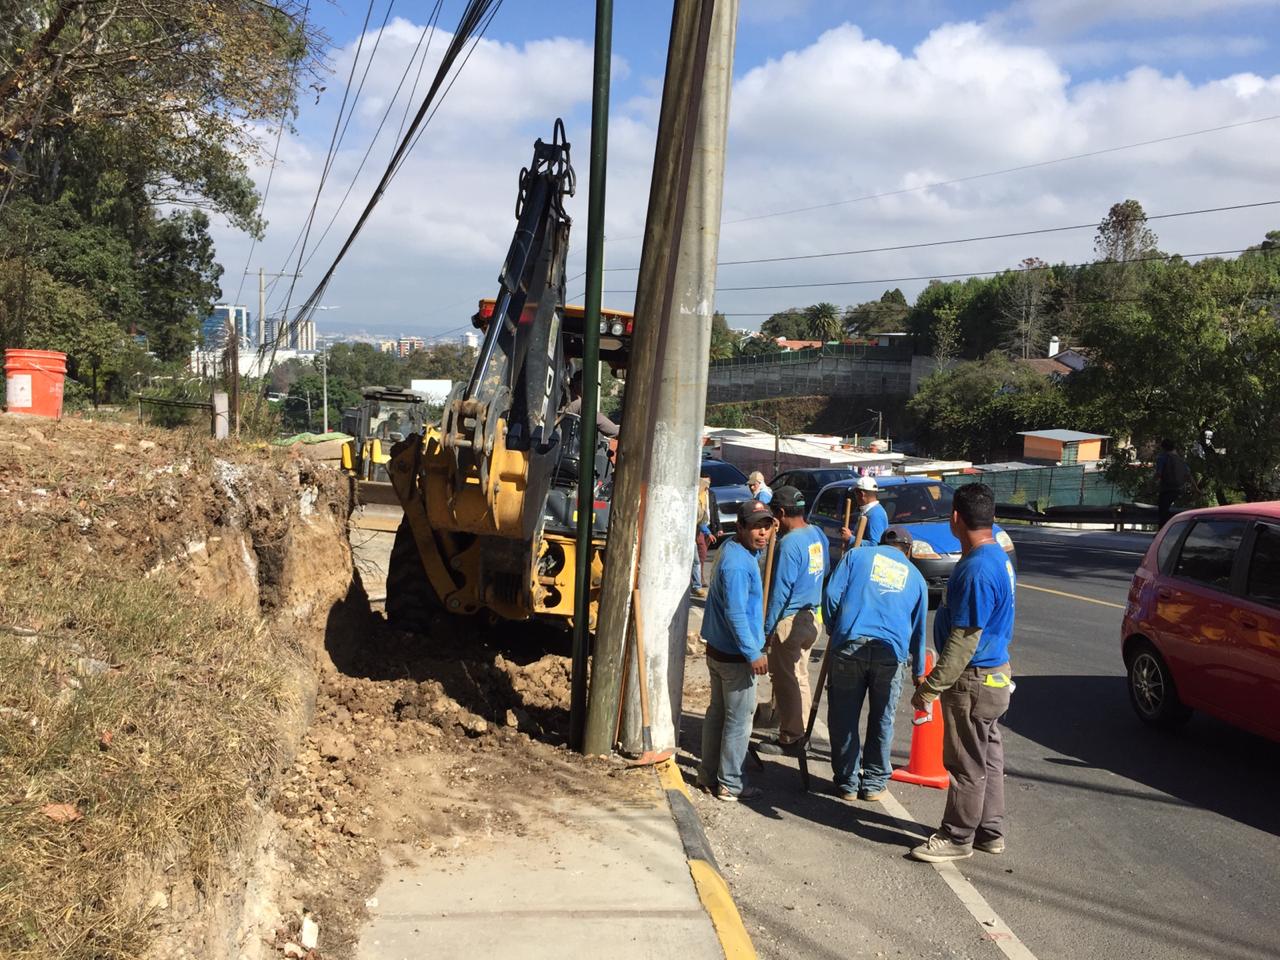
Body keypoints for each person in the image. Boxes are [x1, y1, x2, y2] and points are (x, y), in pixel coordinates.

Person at [909, 483, 1016, 862]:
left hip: (973, 679)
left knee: (965, 762)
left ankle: (957, 836)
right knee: (988, 758)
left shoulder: (977, 570)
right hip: (994, 675)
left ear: (956, 517)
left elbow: (964, 639)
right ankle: (990, 831)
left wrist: (931, 687)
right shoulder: (998, 556)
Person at [823, 527, 927, 801]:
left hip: (850, 645)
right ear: (909, 551)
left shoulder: (857, 556)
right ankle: (873, 782)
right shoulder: (916, 577)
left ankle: (847, 782)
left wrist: (835, 628)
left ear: (882, 543)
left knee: (843, 716)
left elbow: (832, 594)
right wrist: (918, 672)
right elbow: (918, 629)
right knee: (883, 718)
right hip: (890, 654)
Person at [698, 499, 775, 802]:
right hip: (734, 656)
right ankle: (729, 782)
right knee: (739, 720)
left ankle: (709, 774)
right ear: (740, 527)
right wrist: (752, 653)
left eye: (766, 526)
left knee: (718, 714)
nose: (763, 533)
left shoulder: (734, 549)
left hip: (719, 650)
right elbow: (736, 614)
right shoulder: (739, 564)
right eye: (756, 527)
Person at [755, 486, 827, 755]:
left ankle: (791, 736)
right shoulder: (816, 534)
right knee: (800, 676)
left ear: (781, 513)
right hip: (812, 617)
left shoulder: (788, 544)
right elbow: (825, 571)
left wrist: (767, 629)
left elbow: (780, 591)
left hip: (790, 621)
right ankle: (801, 728)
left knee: (785, 681)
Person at [1154, 438, 1199, 526]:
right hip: (1179, 489)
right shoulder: (1180, 460)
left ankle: (1162, 532)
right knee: (1174, 510)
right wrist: (1196, 488)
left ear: (1163, 448)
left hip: (1166, 489)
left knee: (1163, 511)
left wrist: (1151, 484)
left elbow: (1158, 473)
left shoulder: (1162, 458)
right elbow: (1188, 475)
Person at [564, 369, 619, 438]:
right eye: (591, 385)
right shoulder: (576, 401)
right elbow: (602, 422)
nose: (592, 390)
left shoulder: (567, 394)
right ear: (580, 384)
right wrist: (619, 432)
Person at [841, 476, 887, 548]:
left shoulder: (875, 514)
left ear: (862, 494)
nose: (855, 497)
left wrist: (850, 538)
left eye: (856, 494)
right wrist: (853, 535)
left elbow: (874, 545)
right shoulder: (869, 511)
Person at [691, 476, 716, 598]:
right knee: (695, 560)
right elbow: (700, 520)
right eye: (705, 487)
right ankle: (695, 585)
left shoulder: (699, 502)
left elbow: (702, 519)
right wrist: (708, 532)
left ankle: (696, 586)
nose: (706, 490)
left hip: (694, 535)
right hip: (689, 537)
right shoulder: (693, 502)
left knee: (696, 561)